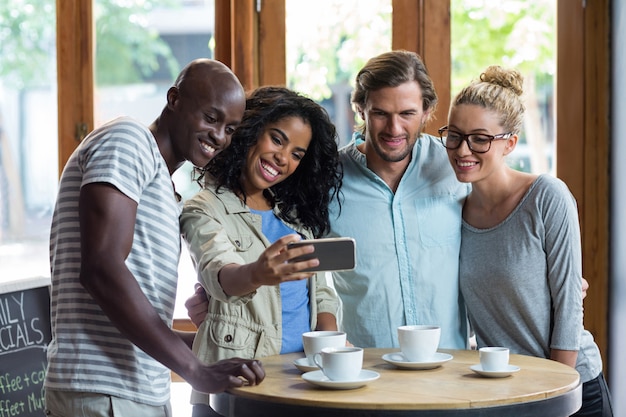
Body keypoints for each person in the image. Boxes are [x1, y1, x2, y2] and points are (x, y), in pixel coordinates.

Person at [185, 50, 590, 352]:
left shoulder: (459, 166)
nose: (394, 128)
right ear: (359, 109)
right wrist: (216, 296)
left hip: (447, 372)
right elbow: (262, 229)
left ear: (428, 111)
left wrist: (551, 280)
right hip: (364, 375)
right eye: (380, 113)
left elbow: (502, 226)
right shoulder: (323, 180)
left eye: (408, 113)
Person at [45, 59, 265, 417]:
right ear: (174, 99)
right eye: (211, 118)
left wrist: (206, 349)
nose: (220, 137)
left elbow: (125, 323)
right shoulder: (128, 139)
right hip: (105, 393)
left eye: (230, 128)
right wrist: (194, 370)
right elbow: (101, 269)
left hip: (135, 392)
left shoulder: (165, 186)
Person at [442, 65, 612, 416]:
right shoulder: (452, 214)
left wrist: (556, 391)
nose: (462, 150)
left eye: (480, 138)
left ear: (510, 144)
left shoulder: (547, 196)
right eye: (454, 135)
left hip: (570, 388)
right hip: (504, 391)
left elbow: (568, 306)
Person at [179, 86, 343, 416]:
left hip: (306, 382)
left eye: (297, 153)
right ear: (249, 133)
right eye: (277, 139)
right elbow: (218, 274)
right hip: (240, 384)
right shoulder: (204, 208)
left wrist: (330, 349)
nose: (283, 158)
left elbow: (321, 295)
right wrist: (258, 273)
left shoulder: (294, 218)